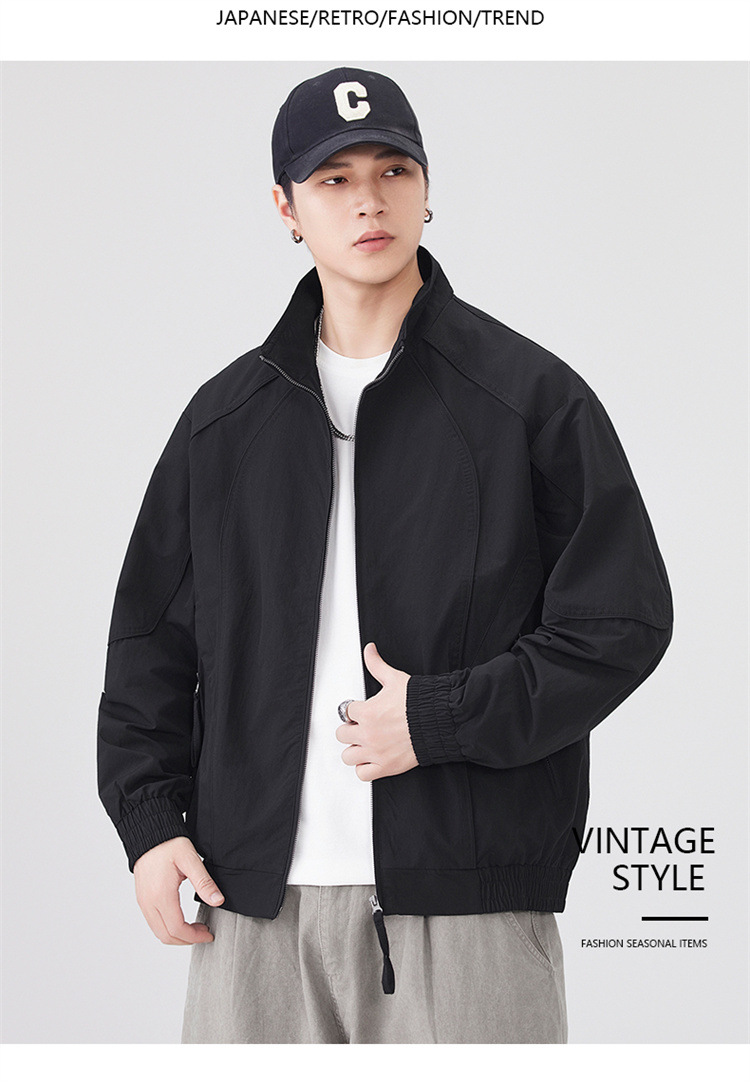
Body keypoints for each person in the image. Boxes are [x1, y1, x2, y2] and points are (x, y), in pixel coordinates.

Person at [97, 66, 674, 1044]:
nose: (369, 199)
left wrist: (442, 718)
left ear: (427, 189)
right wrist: (152, 826)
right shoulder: (224, 424)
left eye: (393, 170)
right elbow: (150, 644)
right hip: (253, 906)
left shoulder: (529, 399)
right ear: (286, 208)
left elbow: (620, 621)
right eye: (333, 178)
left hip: (470, 908)